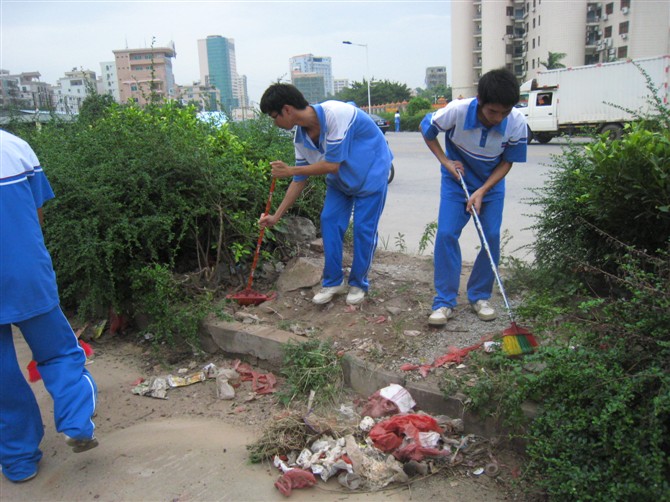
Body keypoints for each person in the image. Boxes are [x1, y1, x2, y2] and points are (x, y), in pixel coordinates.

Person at [0, 129, 99, 483]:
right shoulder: (15, 148)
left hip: (23, 273)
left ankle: (18, 461)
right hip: (25, 273)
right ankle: (76, 422)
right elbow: (36, 216)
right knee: (59, 353)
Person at [259, 84, 393, 306]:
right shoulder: (300, 139)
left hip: (371, 172)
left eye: (274, 117)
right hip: (341, 180)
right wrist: (276, 216)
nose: (275, 123)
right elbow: (299, 180)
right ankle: (333, 282)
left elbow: (331, 165)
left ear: (287, 110)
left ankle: (359, 283)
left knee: (363, 229)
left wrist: (290, 170)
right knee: (329, 220)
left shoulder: (335, 114)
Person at [420, 68, 527, 326]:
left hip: (490, 185)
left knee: (491, 237)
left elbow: (507, 162)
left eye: (504, 112)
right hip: (456, 182)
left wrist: (483, 190)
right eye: (493, 112)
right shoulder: (456, 111)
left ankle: (480, 296)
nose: (498, 118)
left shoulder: (517, 122)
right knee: (446, 234)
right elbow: (427, 129)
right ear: (480, 100)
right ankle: (444, 301)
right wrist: (445, 161)